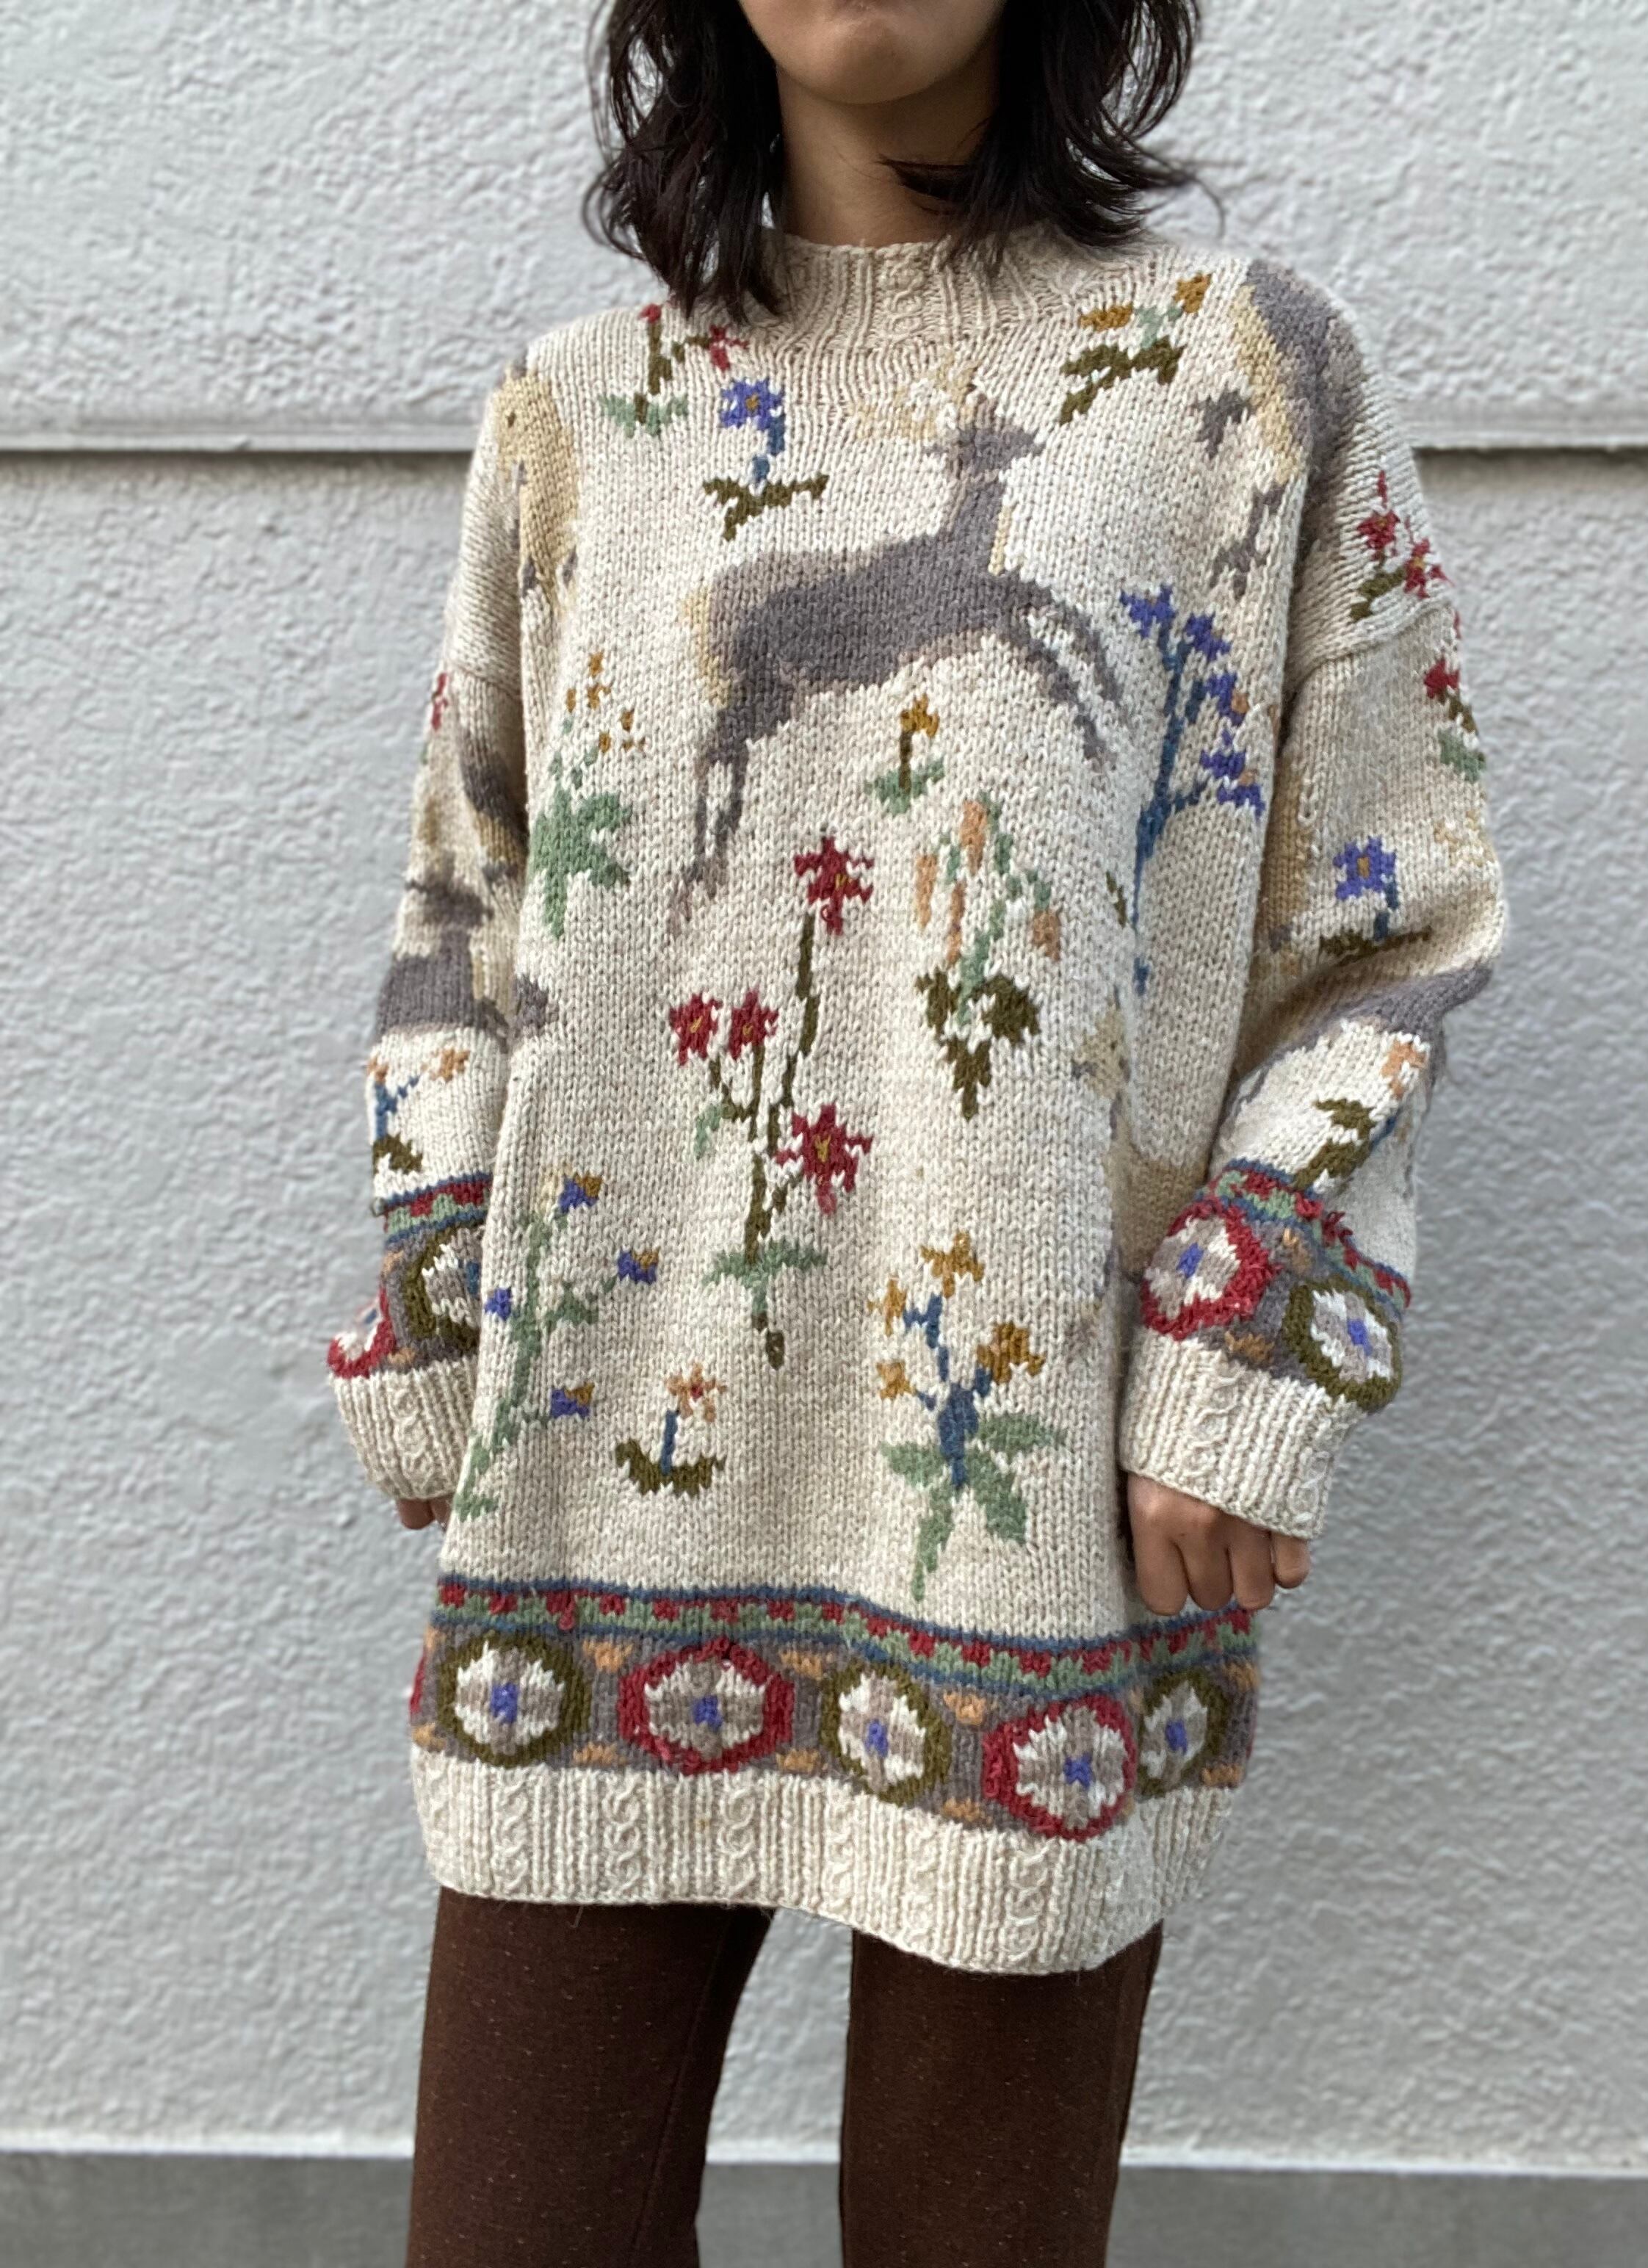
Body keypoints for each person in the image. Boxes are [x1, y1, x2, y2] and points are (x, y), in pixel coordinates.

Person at [323, 3, 1508, 2261]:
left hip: (1027, 1512)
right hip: (598, 1493)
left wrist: (1247, 1355)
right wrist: (437, 1311)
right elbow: (466, 905)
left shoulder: (1236, 376)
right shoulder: (579, 413)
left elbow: (1382, 926)